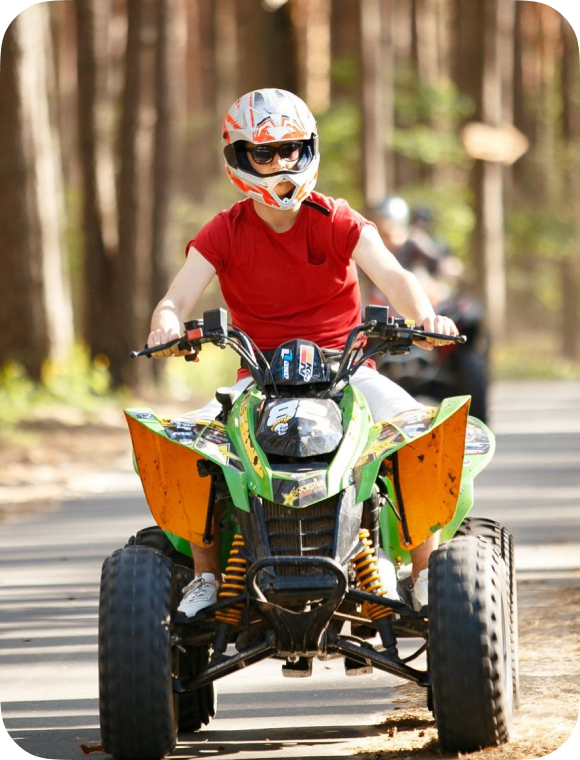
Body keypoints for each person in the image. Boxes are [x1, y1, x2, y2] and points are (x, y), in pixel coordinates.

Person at [147, 88, 459, 616]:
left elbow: (394, 274)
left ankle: (426, 570)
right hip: (260, 378)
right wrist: (166, 325)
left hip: (347, 372)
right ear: (238, 158)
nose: (278, 164)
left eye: (289, 150)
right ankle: (206, 576)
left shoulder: (335, 217)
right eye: (262, 154)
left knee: (416, 431)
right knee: (188, 444)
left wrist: (426, 316)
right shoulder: (223, 231)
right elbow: (174, 299)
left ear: (308, 150)